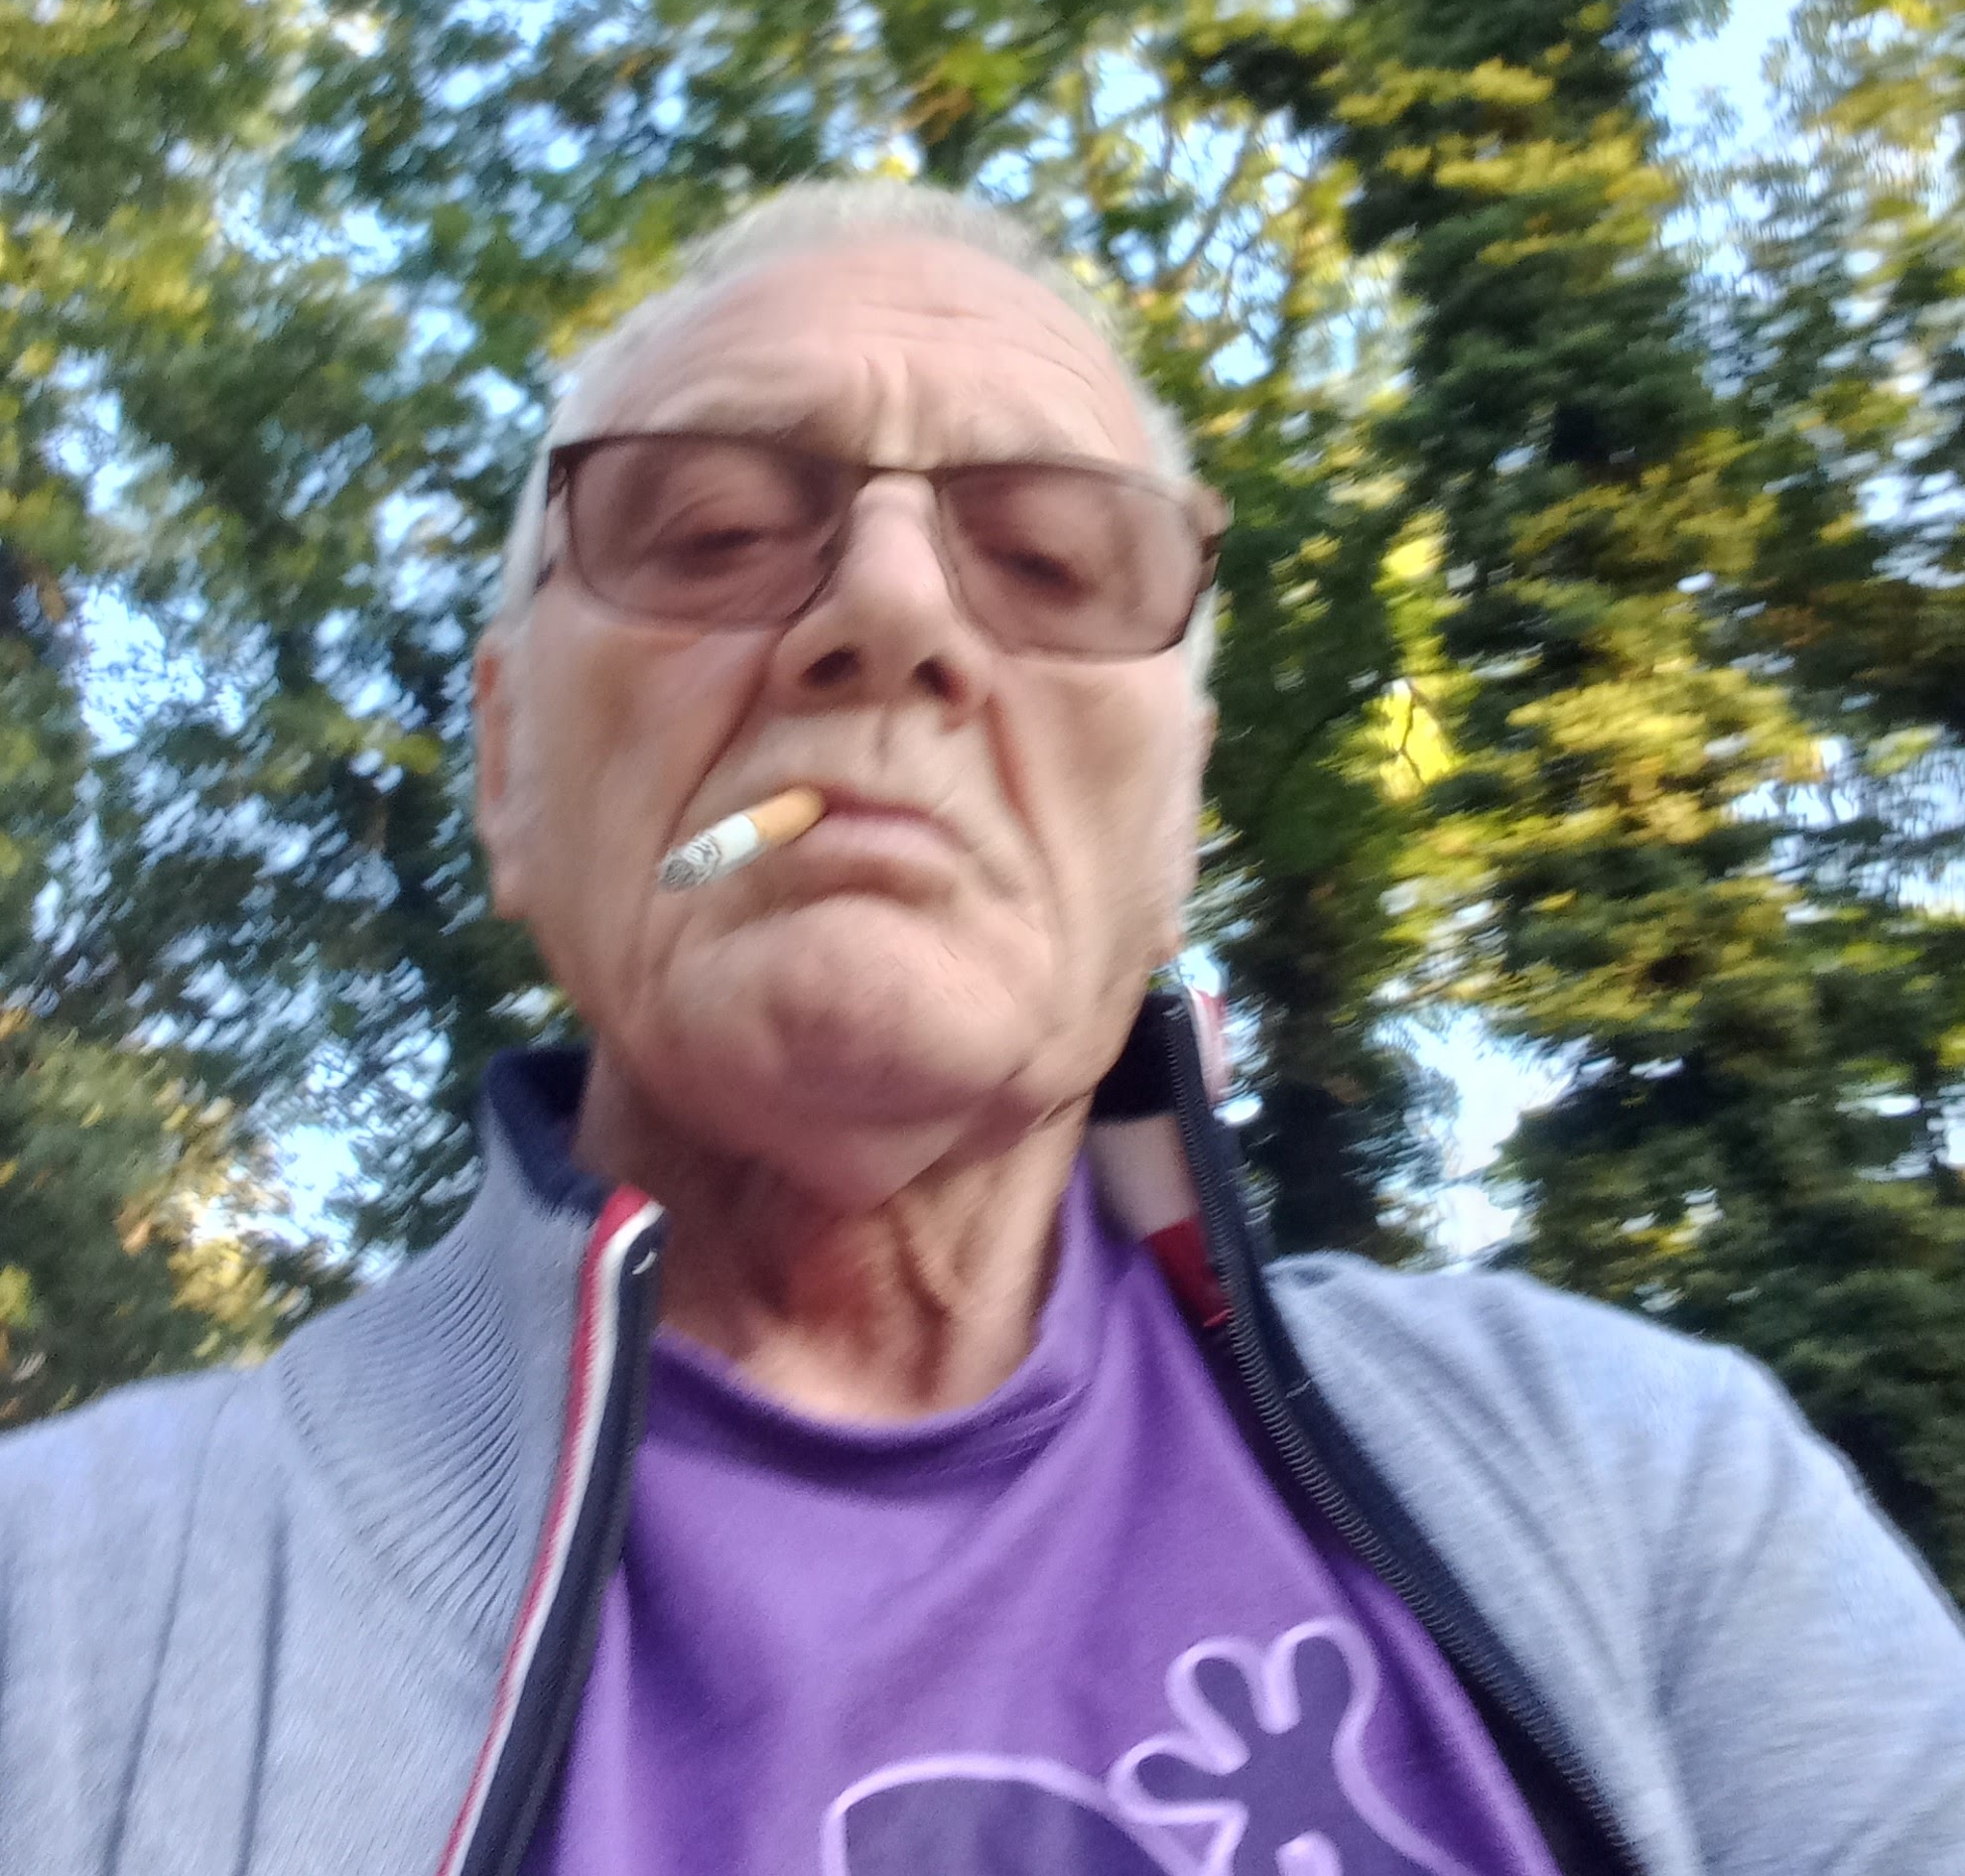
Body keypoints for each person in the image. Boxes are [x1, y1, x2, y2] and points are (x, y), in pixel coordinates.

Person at [4, 182, 1963, 1876]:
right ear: (507, 771)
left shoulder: (1641, 1486)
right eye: (708, 532)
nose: (889, 611)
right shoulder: (70, 1610)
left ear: (1171, 829)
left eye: (1047, 564)